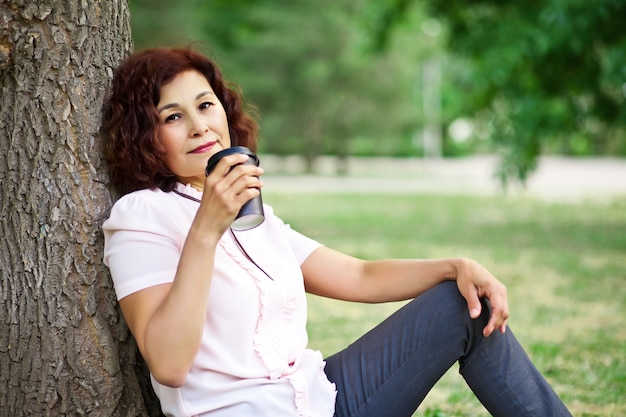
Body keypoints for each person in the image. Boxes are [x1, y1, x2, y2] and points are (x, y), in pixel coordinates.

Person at [101, 47, 572, 417]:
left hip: (320, 399)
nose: (200, 126)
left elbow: (360, 276)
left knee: (465, 302)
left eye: (206, 105)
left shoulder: (254, 214)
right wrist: (206, 230)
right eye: (173, 116)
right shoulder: (142, 215)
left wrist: (456, 266)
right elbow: (168, 364)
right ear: (146, 136)